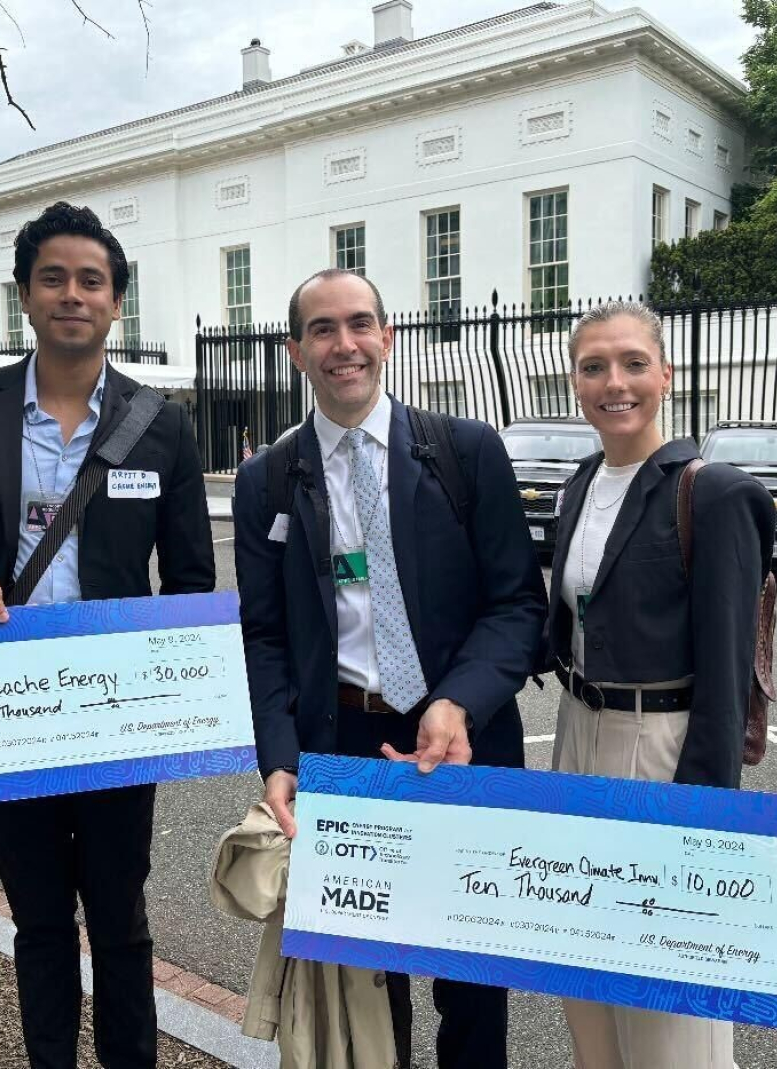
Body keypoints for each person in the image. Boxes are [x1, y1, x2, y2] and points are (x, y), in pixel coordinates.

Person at [0, 201, 215, 1069]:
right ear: (25, 296)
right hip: (6, 703)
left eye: (92, 281)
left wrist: (174, 704)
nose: (73, 294)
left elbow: (189, 582)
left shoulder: (160, 424)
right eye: (54, 278)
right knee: (37, 918)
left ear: (115, 303)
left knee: (120, 916)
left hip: (115, 710)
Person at [233, 268, 547, 1069]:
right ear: (296, 350)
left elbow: (517, 605)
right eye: (325, 330)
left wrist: (457, 702)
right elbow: (264, 635)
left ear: (388, 336)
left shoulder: (465, 451)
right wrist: (278, 759)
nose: (346, 345)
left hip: (461, 739)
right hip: (343, 743)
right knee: (366, 983)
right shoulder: (267, 477)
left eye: (361, 324)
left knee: (473, 977)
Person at [543, 300, 775, 1068]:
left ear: (666, 375)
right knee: (588, 976)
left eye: (633, 362)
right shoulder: (579, 484)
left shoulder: (712, 492)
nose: (615, 382)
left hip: (660, 744)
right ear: (574, 379)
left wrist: (699, 815)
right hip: (576, 733)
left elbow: (728, 675)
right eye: (594, 365)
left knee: (669, 1006)